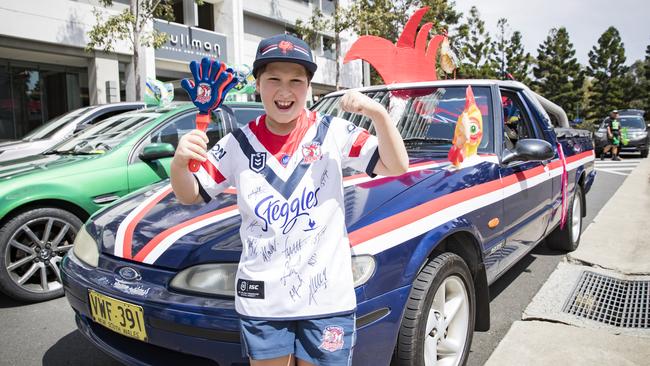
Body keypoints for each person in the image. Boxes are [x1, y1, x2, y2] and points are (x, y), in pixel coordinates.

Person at [170, 34, 409, 366]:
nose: (285, 91)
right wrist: (179, 164)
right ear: (258, 85)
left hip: (327, 299)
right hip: (262, 299)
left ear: (309, 87)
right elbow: (191, 193)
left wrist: (378, 114)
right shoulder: (238, 142)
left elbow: (397, 164)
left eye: (296, 80)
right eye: (274, 80)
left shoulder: (333, 132)